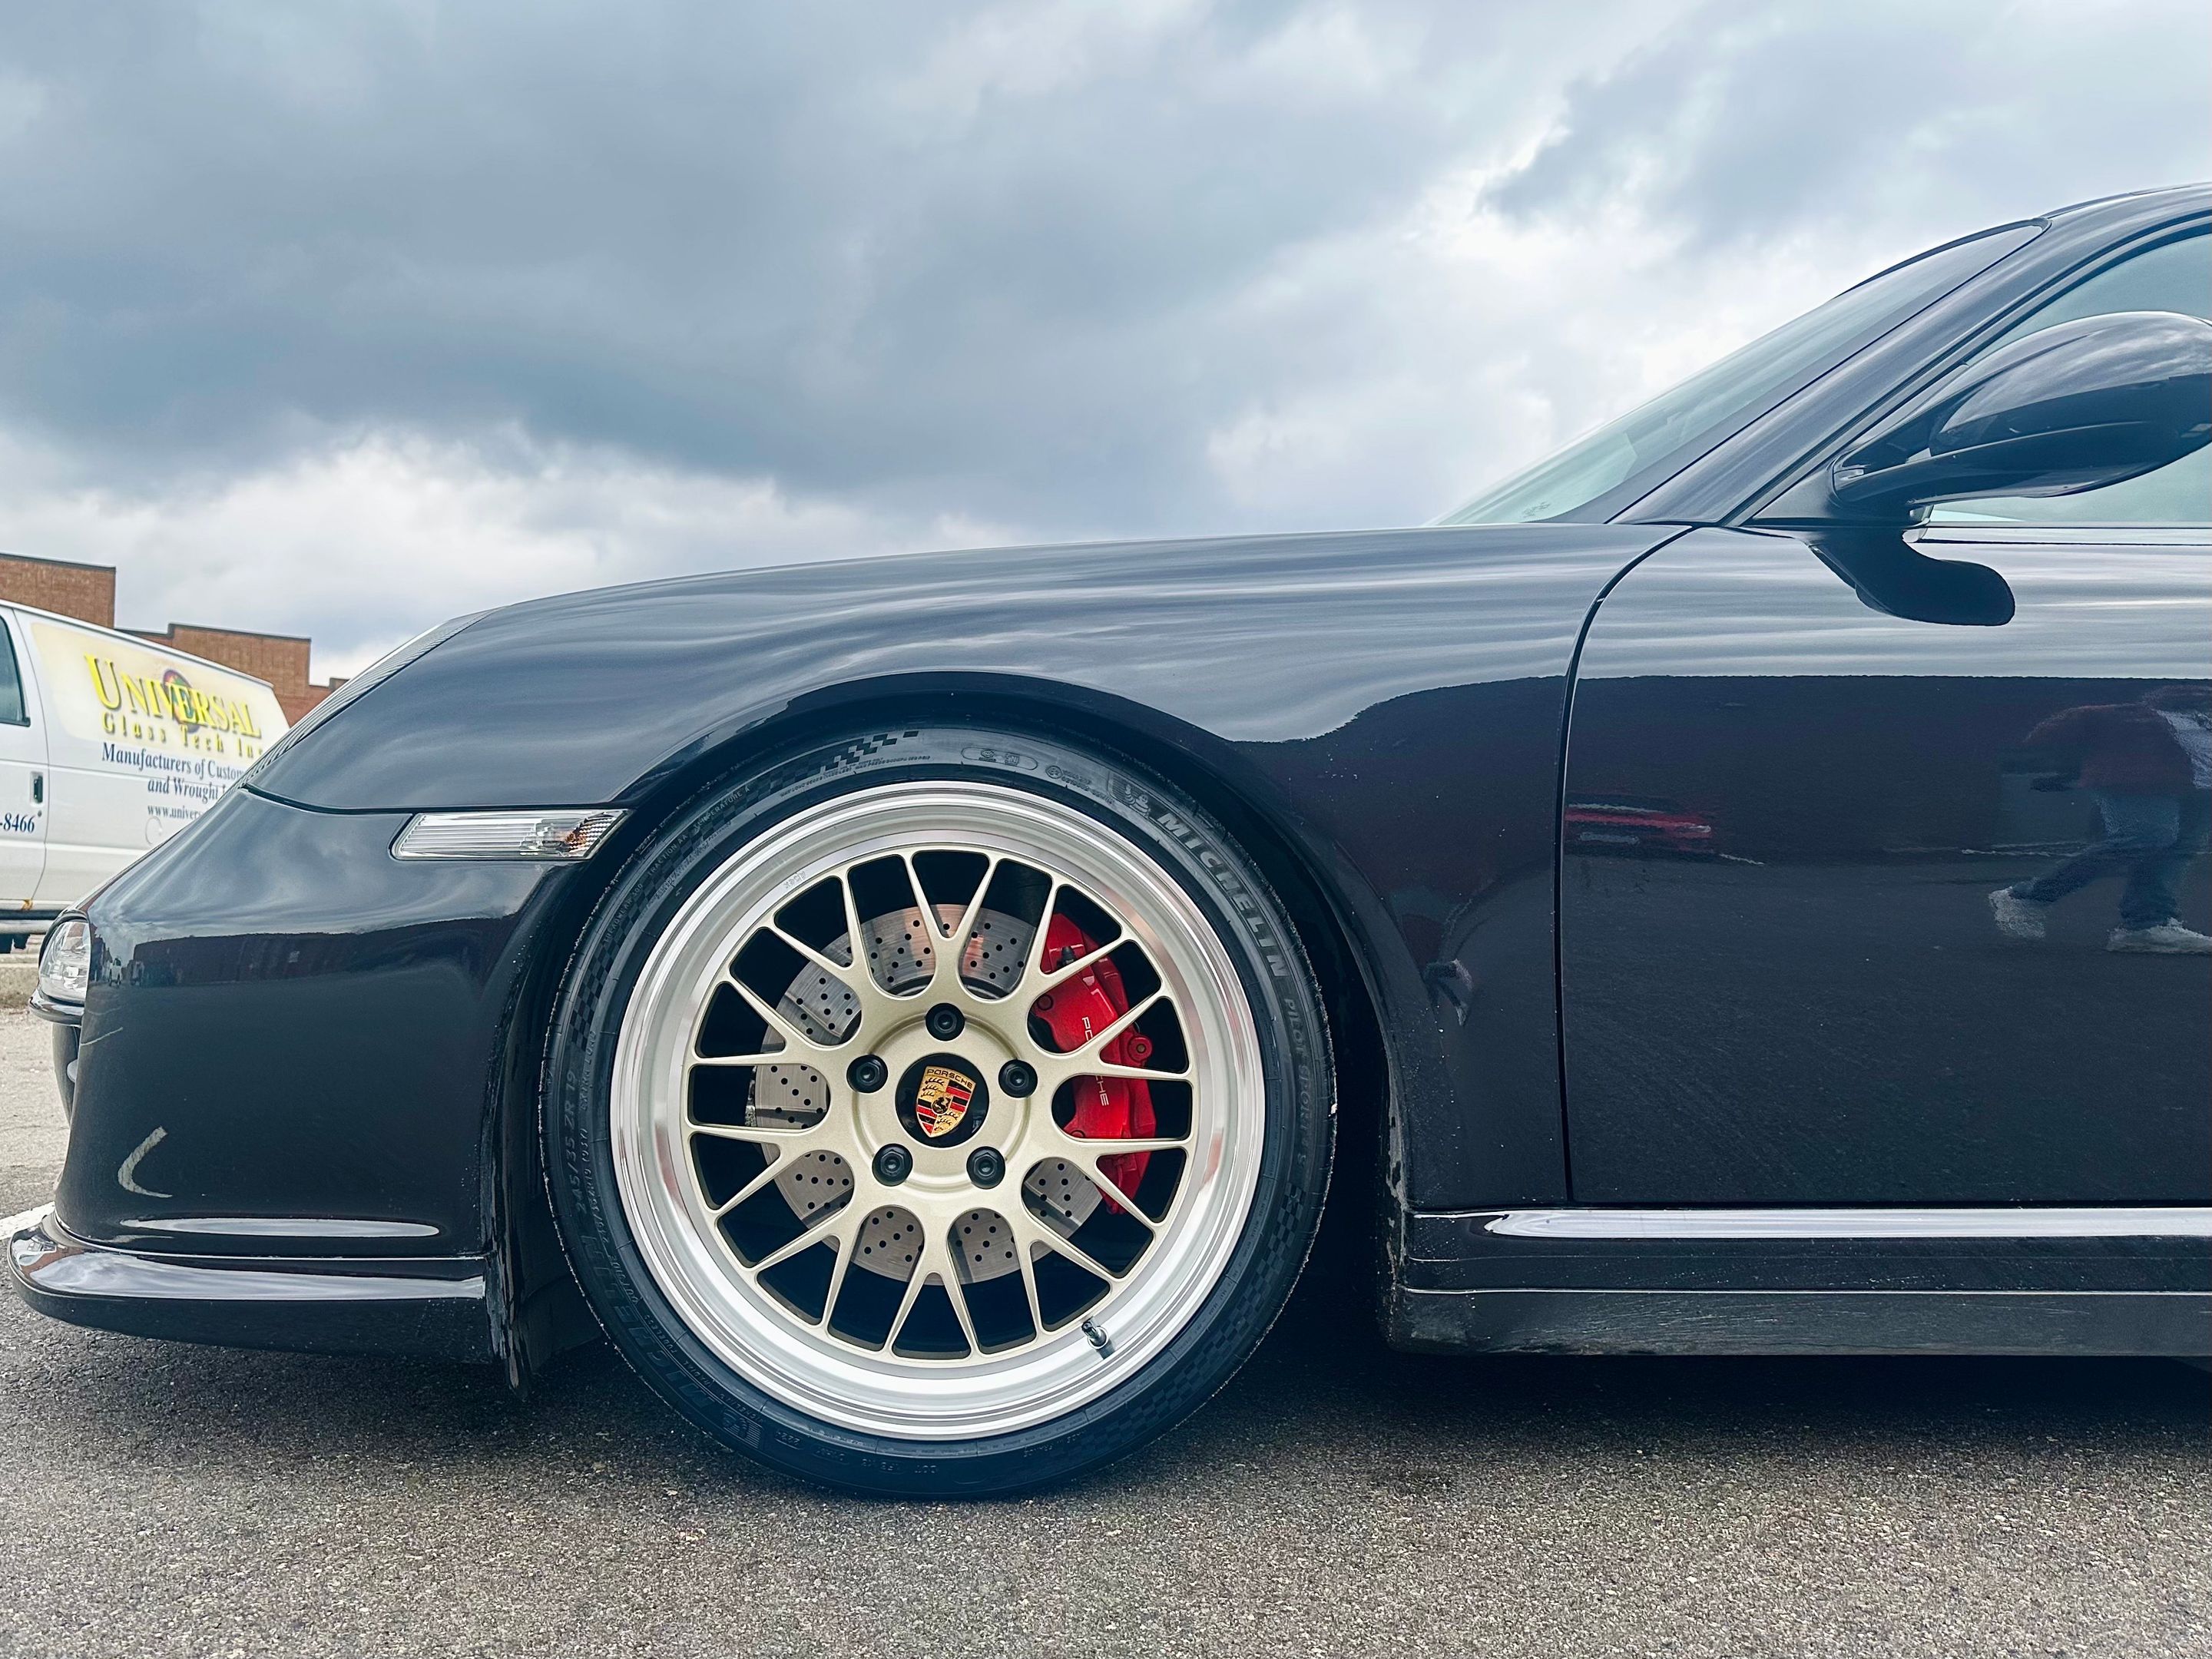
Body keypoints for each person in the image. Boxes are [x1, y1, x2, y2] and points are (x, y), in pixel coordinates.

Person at [1990, 684, 2212, 952]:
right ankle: (2028, 896)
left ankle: (2147, 926)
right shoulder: (2130, 715)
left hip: (2200, 788)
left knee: (2175, 850)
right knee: (2147, 838)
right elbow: (2046, 735)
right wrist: (2074, 768)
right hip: (2139, 783)